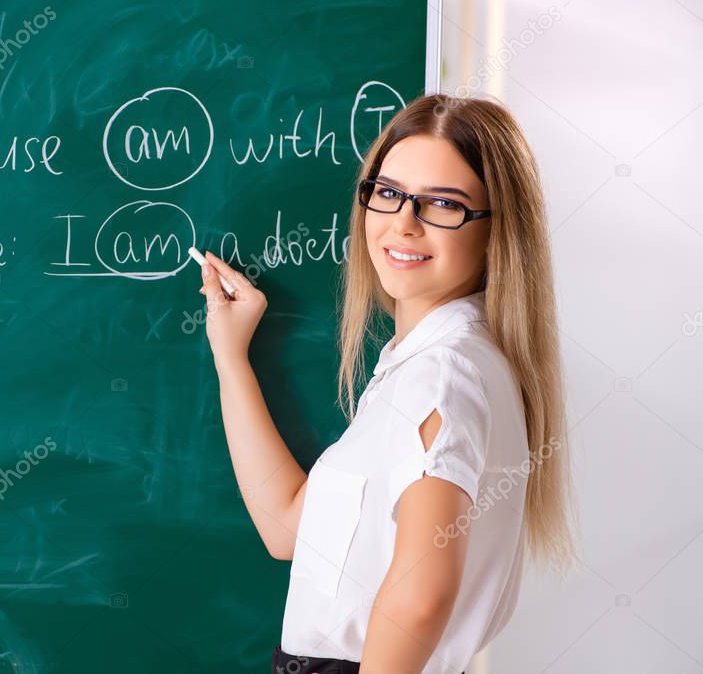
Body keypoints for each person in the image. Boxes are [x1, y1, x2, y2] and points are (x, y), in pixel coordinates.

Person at [196, 94, 579, 673]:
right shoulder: (423, 365)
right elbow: (287, 530)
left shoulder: (443, 373)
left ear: (497, 231)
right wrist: (232, 359)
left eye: (443, 205)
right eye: (389, 193)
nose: (403, 222)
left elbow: (422, 597)